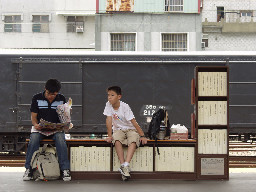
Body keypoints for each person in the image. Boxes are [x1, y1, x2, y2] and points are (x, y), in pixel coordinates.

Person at [23, 79, 71, 181]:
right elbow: (33, 116)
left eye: (54, 94)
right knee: (34, 139)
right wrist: (35, 125)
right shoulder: (36, 98)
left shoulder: (61, 98)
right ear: (45, 89)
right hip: (40, 129)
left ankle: (65, 170)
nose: (51, 96)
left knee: (60, 139)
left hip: (55, 129)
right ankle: (29, 169)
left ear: (57, 92)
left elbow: (63, 116)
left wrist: (66, 123)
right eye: (49, 93)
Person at [103, 86, 147, 179]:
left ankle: (126, 164)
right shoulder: (108, 105)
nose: (109, 97)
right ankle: (123, 166)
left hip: (130, 128)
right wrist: (109, 136)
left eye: (112, 95)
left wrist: (142, 135)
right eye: (108, 95)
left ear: (119, 97)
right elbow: (109, 120)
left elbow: (134, 122)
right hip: (118, 129)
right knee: (117, 139)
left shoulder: (125, 107)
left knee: (134, 139)